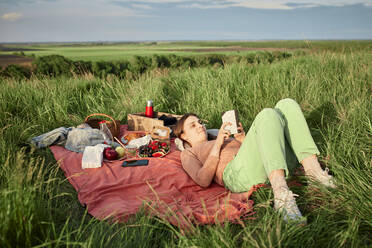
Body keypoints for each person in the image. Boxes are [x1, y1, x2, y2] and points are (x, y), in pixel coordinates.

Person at [173, 98, 335, 224]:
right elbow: (202, 180)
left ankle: (315, 174)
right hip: (236, 175)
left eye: (200, 122)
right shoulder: (188, 153)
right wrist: (217, 146)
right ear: (183, 136)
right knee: (267, 114)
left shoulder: (217, 136)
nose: (200, 126)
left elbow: (261, 149)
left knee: (287, 104)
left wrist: (243, 140)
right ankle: (282, 196)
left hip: (266, 163)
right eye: (193, 125)